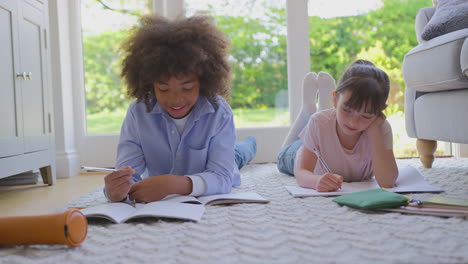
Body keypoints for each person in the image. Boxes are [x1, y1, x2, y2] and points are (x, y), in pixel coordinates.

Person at [104, 14, 257, 203]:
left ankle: (250, 144)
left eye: (187, 88)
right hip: (202, 166)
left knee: (238, 154)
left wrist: (175, 184)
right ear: (149, 84)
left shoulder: (219, 112)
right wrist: (115, 190)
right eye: (163, 88)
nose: (175, 99)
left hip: (222, 163)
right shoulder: (138, 113)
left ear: (204, 82)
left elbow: (222, 177)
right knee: (235, 152)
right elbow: (128, 175)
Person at [277, 60, 398, 192]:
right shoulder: (319, 123)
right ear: (335, 99)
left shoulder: (380, 128)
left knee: (323, 120)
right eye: (346, 110)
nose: (353, 122)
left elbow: (387, 182)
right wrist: (316, 181)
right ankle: (307, 110)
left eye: (366, 116)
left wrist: (374, 131)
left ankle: (323, 108)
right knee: (282, 156)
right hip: (301, 152)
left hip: (326, 130)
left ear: (378, 114)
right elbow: (301, 172)